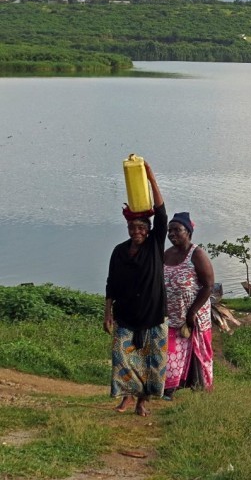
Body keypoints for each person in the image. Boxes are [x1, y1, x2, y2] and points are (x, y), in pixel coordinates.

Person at [104, 161, 167, 417]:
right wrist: (107, 312)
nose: (137, 231)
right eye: (133, 227)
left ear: (149, 231)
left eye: (142, 227)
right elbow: (111, 284)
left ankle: (142, 401)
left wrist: (151, 177)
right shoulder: (119, 251)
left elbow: (162, 213)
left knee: (152, 362)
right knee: (124, 358)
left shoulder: (154, 246)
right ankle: (126, 398)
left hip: (153, 313)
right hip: (126, 314)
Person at [162, 212, 215, 399]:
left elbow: (208, 286)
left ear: (189, 232)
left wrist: (192, 312)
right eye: (170, 231)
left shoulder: (197, 254)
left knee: (196, 352)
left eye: (177, 230)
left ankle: (200, 388)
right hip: (173, 316)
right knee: (172, 352)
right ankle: (170, 388)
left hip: (194, 315)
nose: (172, 234)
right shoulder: (166, 254)